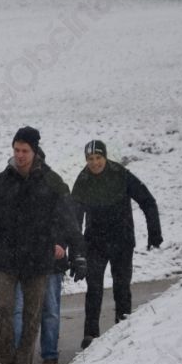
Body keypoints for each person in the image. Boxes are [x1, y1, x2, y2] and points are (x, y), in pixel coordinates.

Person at [0, 127, 84, 364]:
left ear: (35, 152)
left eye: (25, 151)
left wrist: (77, 251)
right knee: (4, 308)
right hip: (6, 258)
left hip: (37, 259)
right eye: (16, 150)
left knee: (32, 315)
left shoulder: (51, 181)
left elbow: (67, 218)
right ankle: (6, 360)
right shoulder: (0, 182)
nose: (20, 155)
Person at [72, 140, 162, 349]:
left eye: (98, 158)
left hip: (122, 241)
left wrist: (154, 232)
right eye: (90, 159)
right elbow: (75, 217)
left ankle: (123, 331)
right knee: (94, 289)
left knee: (122, 287)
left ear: (105, 157)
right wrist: (76, 250)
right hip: (95, 243)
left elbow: (147, 200)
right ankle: (90, 335)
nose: (94, 163)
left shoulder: (121, 174)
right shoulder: (83, 180)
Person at [11, 151, 85, 364]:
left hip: (51, 259)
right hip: (20, 259)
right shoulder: (12, 184)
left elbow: (68, 221)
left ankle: (50, 353)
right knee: (19, 309)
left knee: (49, 308)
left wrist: (65, 246)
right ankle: (19, 354)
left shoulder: (55, 184)